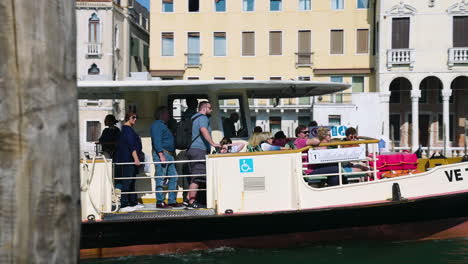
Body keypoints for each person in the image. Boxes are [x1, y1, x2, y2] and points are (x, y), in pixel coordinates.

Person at [186, 101, 220, 209]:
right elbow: (203, 130)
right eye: (210, 108)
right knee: (197, 177)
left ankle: (188, 199)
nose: (211, 110)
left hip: (192, 150)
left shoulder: (194, 118)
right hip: (199, 150)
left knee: (197, 175)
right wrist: (213, 143)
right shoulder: (203, 118)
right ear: (204, 108)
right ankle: (191, 201)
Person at [150, 106, 184, 209]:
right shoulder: (157, 125)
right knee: (161, 178)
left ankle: (172, 201)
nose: (168, 115)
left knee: (174, 177)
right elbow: (157, 141)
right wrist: (161, 155)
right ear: (161, 114)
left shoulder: (164, 125)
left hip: (169, 154)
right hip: (163, 154)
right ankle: (159, 201)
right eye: (167, 113)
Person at [114, 112, 143, 211]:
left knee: (132, 181)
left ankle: (133, 202)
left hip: (129, 160)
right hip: (128, 160)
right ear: (128, 118)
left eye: (136, 117)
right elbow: (132, 146)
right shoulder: (127, 130)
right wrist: (136, 158)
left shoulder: (128, 129)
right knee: (127, 181)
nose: (135, 119)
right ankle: (124, 204)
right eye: (133, 117)